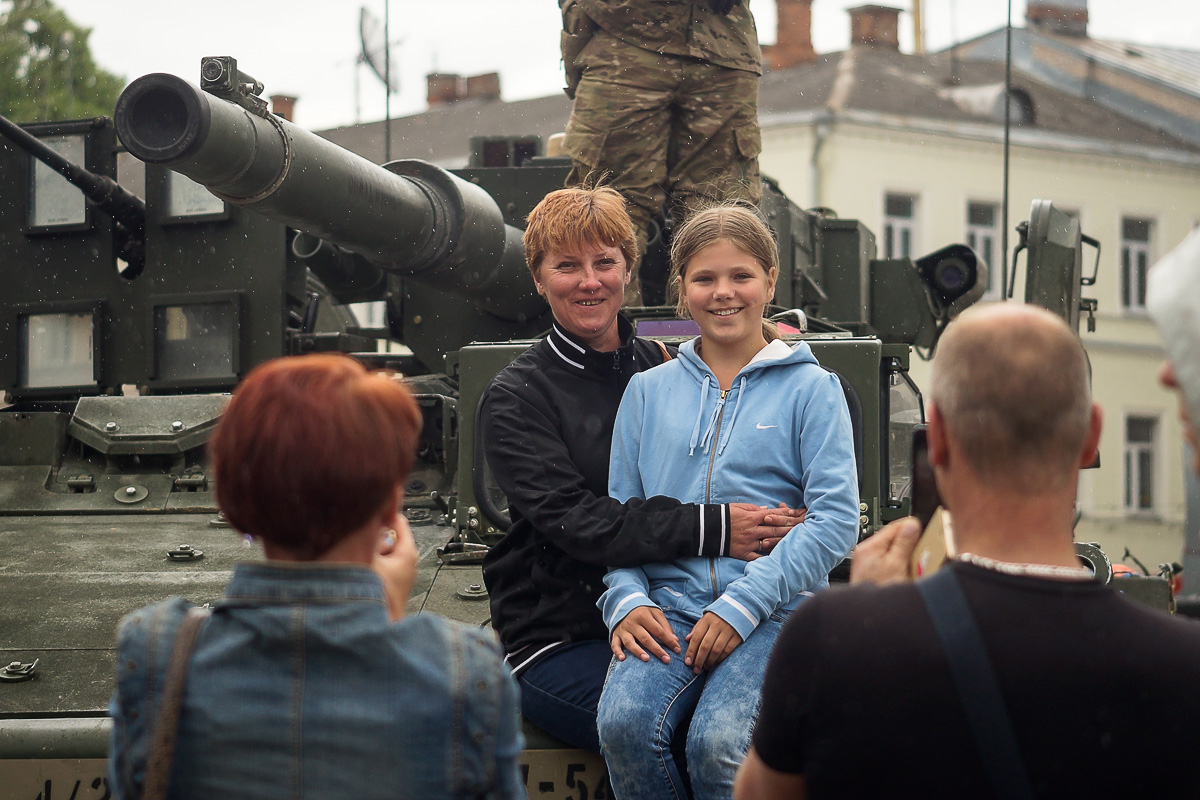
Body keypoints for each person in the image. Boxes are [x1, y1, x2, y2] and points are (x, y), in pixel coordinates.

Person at [734, 303, 1200, 800]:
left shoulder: (834, 637)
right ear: (1092, 437)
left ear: (935, 439)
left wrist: (868, 617)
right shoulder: (1182, 669)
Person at [108, 354, 524, 800]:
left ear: (232, 503)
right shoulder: (467, 670)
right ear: (390, 505)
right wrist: (387, 617)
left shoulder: (156, 652)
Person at [480, 187, 802, 753]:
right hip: (566, 632)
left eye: (605, 262)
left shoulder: (663, 368)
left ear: (628, 270)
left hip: (679, 615)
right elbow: (577, 521)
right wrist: (717, 528)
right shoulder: (518, 396)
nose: (589, 281)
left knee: (742, 727)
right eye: (567, 266)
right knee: (672, 735)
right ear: (537, 277)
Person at [596, 204, 859, 800]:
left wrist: (741, 604)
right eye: (704, 278)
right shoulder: (646, 391)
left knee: (719, 747)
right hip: (666, 609)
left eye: (741, 276)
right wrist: (627, 598)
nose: (724, 293)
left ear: (770, 280)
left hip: (776, 611)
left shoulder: (814, 390)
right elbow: (621, 517)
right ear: (682, 290)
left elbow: (836, 518)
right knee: (622, 728)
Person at [560, 0, 763, 305]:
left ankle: (712, 339)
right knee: (606, 210)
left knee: (716, 214)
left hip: (708, 45)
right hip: (634, 38)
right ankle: (607, 342)